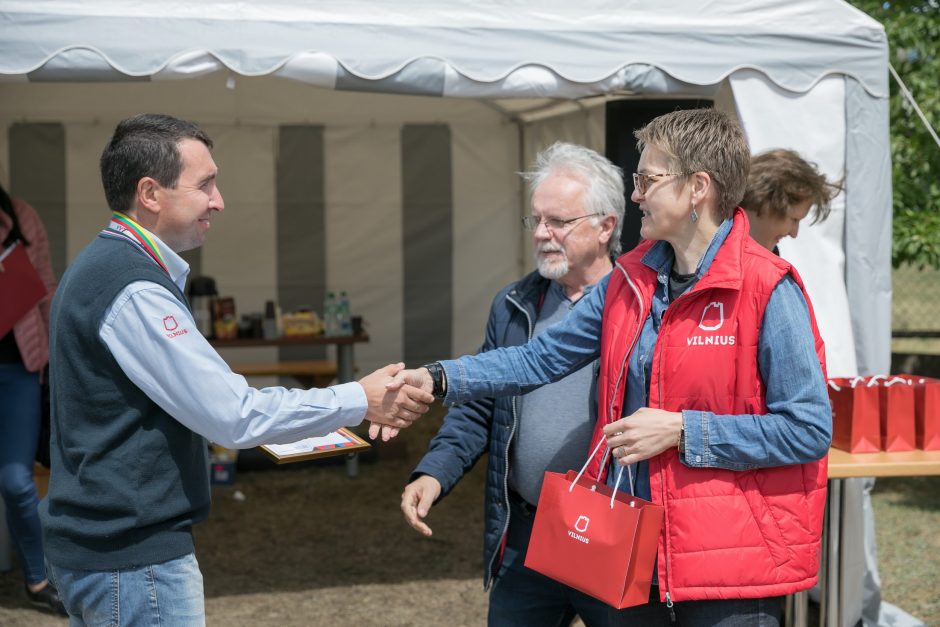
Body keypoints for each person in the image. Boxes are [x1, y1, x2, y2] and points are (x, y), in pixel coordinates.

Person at [386, 108, 832, 626]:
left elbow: (807, 428)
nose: (635, 193)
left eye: (647, 178)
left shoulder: (768, 287)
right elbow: (539, 358)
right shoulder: (631, 279)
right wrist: (437, 377)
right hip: (642, 557)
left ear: (697, 188)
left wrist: (683, 431)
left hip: (727, 570)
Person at [40, 113, 433, 625]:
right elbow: (234, 415)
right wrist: (360, 397)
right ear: (150, 194)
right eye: (205, 184)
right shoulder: (131, 286)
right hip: (132, 561)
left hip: (111, 551)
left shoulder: (108, 266)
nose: (219, 200)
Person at [401, 142, 623, 626]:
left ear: (606, 225)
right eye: (536, 220)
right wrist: (434, 471)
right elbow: (479, 407)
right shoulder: (515, 303)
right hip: (527, 531)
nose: (542, 234)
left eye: (558, 221)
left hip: (612, 527)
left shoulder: (640, 307)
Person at [0, 182, 66, 615]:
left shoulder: (21, 216)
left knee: (15, 480)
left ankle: (39, 578)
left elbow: (45, 288)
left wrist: (54, 364)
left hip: (19, 366)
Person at [740, 148, 841, 252]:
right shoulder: (724, 253)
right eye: (794, 220)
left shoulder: (768, 259)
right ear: (765, 203)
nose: (794, 233)